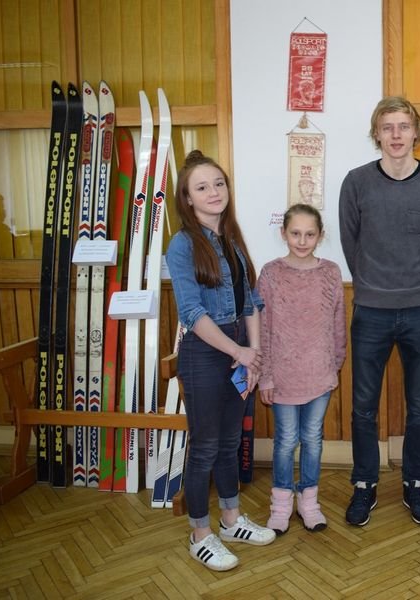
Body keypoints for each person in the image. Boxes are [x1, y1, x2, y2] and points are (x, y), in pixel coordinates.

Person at [339, 96, 420, 526]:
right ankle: (364, 484)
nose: (395, 135)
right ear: (376, 134)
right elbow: (350, 243)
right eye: (387, 127)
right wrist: (373, 285)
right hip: (371, 310)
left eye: (403, 126)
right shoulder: (356, 182)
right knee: (362, 407)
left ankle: (415, 483)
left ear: (416, 133)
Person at [166, 150, 276, 572]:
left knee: (231, 443)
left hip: (239, 351)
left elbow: (251, 303)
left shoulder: (231, 240)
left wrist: (254, 357)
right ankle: (199, 535)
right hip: (205, 354)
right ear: (187, 198)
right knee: (205, 448)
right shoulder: (183, 244)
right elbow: (192, 314)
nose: (213, 192)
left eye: (218, 183)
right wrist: (238, 352)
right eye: (202, 187)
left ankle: (231, 521)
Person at [258, 204, 345, 535]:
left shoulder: (331, 273)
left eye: (310, 234)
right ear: (284, 233)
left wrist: (334, 363)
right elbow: (263, 327)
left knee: (312, 438)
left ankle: (309, 503)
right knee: (285, 440)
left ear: (320, 236)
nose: (302, 240)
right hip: (282, 376)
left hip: (319, 373)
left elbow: (337, 323)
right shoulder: (270, 273)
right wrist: (265, 375)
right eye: (295, 233)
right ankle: (280, 505)